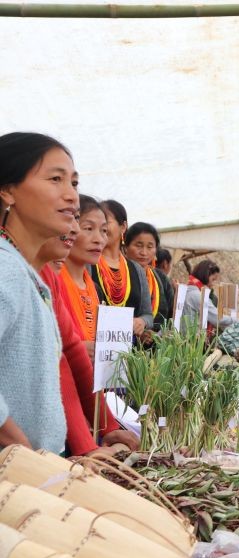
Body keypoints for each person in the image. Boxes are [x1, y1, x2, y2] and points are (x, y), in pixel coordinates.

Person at [0, 131, 78, 454]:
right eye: (55, 179)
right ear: (8, 191)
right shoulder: (5, 269)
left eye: (74, 182)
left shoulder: (24, 270)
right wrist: (20, 450)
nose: (71, 196)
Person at [37, 219, 138, 455]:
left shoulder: (48, 275)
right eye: (88, 228)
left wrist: (100, 434)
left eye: (103, 230)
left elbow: (68, 355)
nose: (72, 228)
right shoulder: (20, 270)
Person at [92, 200, 153, 338]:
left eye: (106, 221)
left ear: (123, 226)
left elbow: (148, 315)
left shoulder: (136, 269)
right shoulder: (89, 264)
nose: (102, 227)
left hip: (129, 348)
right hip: (94, 345)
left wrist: (142, 321)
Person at [60, 194, 107, 347]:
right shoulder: (50, 284)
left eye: (104, 230)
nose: (99, 239)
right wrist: (74, 350)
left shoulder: (96, 290)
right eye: (88, 228)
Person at [124, 221, 174, 330]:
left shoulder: (161, 278)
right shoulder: (119, 275)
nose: (144, 252)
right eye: (138, 245)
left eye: (150, 247)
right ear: (126, 246)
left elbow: (171, 316)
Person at [182, 259, 230, 334]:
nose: (213, 284)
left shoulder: (187, 289)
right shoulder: (198, 296)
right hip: (190, 338)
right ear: (205, 275)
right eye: (213, 279)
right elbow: (218, 319)